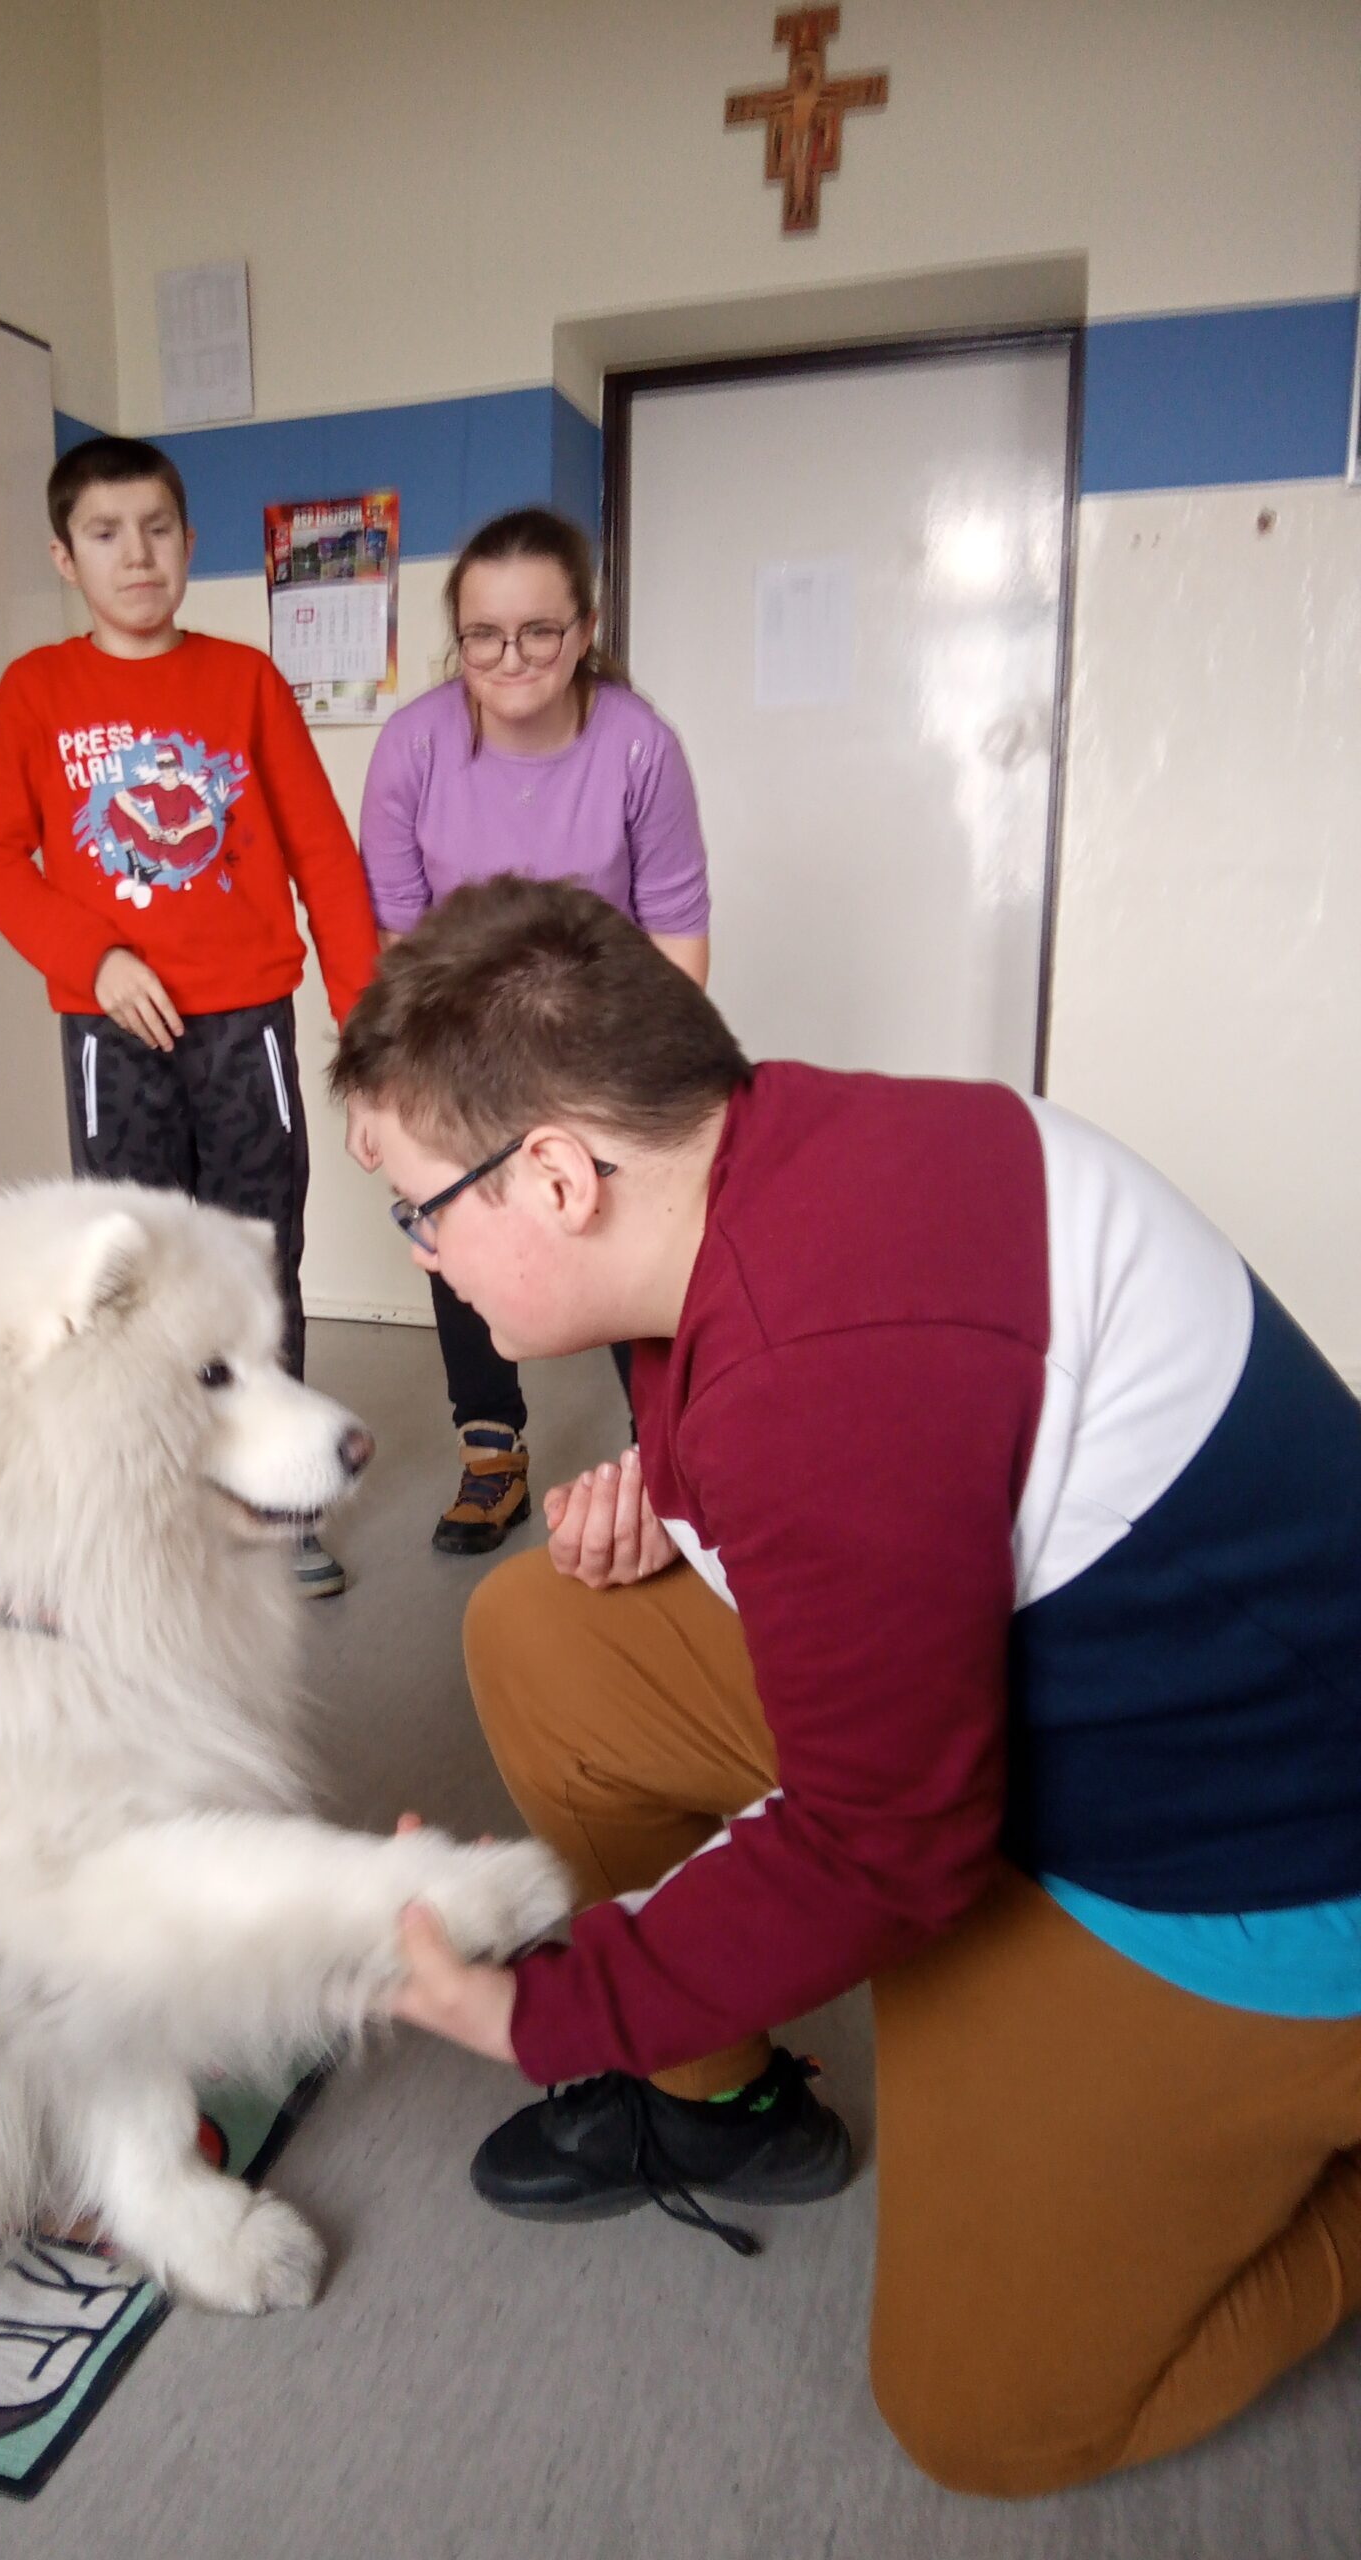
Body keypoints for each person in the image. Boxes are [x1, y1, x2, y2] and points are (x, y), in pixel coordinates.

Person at [334, 875, 1361, 2497]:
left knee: (989, 2418)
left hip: (1243, 1854)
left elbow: (889, 1842)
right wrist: (678, 1506)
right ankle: (728, 2096)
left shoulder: (827, 1367)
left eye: (416, 1209)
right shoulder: (769, 1150)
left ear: (554, 1173)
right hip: (1036, 1699)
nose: (421, 1258)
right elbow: (829, 1481)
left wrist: (538, 2009)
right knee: (547, 1634)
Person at [0, 435, 380, 1598]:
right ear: (65, 555)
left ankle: (279, 1494)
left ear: (190, 544)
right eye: (105, 533)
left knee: (260, 1259)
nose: (135, 554)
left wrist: (367, 1022)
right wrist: (91, 958)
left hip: (246, 1023)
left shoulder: (245, 682)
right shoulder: (34, 692)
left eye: (156, 529)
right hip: (113, 1034)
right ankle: (145, 1501)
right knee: (127, 1277)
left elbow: (324, 858)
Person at [357, 507, 710, 1558]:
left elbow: (679, 938)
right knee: (453, 1216)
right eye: (483, 636)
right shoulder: (413, 746)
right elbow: (397, 946)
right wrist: (389, 1091)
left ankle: (673, 1462)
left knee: (635, 1232)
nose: (510, 659)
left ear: (585, 628)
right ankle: (492, 1452)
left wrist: (650, 1101)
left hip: (604, 1036)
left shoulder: (639, 744)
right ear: (456, 638)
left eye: (539, 633)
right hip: (460, 1040)